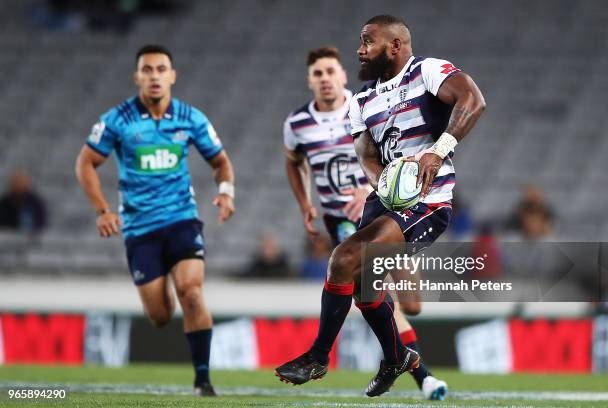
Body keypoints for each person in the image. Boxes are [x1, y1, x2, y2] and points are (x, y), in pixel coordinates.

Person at [275, 15, 485, 398]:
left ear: (394, 46)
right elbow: (367, 154)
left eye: (367, 41)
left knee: (343, 258)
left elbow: (473, 99)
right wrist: (384, 182)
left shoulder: (427, 71)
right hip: (387, 200)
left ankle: (318, 357)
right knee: (363, 291)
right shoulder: (361, 101)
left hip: (427, 201)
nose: (360, 49)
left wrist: (437, 152)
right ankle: (397, 357)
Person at [75, 45, 235, 397]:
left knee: (192, 292)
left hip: (181, 219)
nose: (154, 76)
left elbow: (220, 161)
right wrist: (102, 210)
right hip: (139, 229)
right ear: (137, 77)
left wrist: (226, 191)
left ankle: (203, 380)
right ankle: (166, 285)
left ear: (172, 76)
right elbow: (86, 163)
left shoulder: (190, 118)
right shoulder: (117, 120)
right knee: (160, 316)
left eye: (161, 69)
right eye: (147, 70)